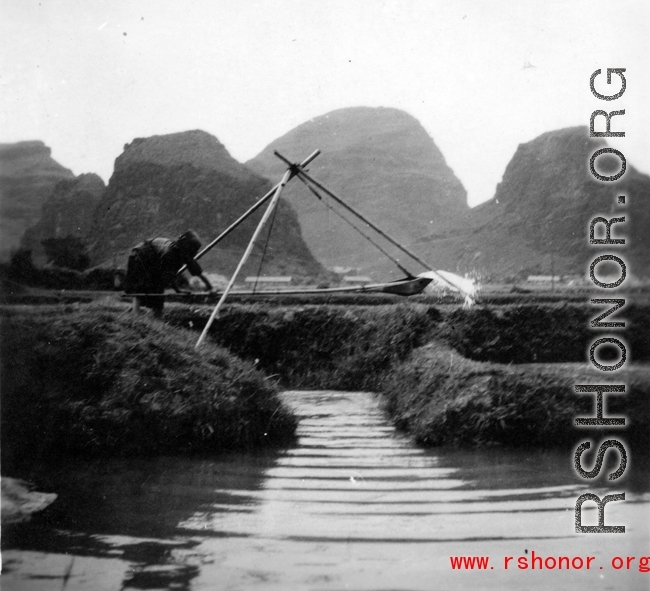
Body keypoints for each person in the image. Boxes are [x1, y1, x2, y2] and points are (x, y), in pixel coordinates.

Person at [124, 230, 213, 317]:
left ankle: (156, 315)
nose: (195, 252)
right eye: (194, 250)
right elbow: (167, 276)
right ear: (187, 247)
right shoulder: (170, 253)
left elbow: (198, 272)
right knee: (142, 286)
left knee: (157, 288)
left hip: (153, 258)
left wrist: (209, 287)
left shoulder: (186, 254)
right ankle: (136, 313)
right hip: (142, 254)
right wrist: (178, 290)